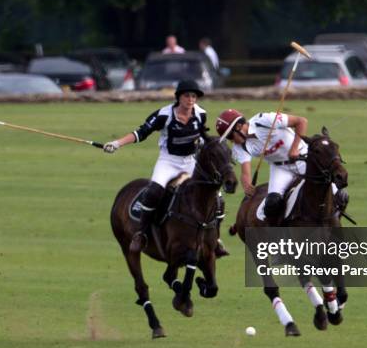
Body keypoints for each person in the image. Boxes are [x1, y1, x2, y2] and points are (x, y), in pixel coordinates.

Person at [104, 80, 228, 255]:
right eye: (187, 96)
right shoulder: (164, 114)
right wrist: (118, 143)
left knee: (217, 197)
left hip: (191, 162)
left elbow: (202, 135)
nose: (191, 99)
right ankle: (141, 235)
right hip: (168, 162)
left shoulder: (201, 114)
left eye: (193, 96)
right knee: (153, 192)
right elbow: (141, 132)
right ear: (178, 97)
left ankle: (215, 239)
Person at [215, 109, 348, 225]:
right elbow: (245, 170)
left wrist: (294, 148)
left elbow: (301, 121)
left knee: (341, 196)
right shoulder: (240, 146)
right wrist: (247, 184)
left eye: (230, 136)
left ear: (239, 126)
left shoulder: (264, 120)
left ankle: (332, 224)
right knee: (272, 204)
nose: (231, 141)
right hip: (280, 168)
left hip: (304, 160)